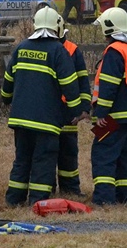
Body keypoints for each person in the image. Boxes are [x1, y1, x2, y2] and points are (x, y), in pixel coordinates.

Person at [1, 7, 86, 206]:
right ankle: (37, 201)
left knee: (22, 158)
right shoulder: (58, 51)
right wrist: (76, 111)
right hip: (46, 121)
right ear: (57, 27)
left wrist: (7, 100)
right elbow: (70, 85)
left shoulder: (21, 47)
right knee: (44, 159)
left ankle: (14, 199)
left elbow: (7, 84)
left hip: (20, 119)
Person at [90, 7, 127, 205]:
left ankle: (104, 199)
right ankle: (123, 196)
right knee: (123, 157)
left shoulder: (114, 51)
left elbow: (109, 85)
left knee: (102, 154)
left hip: (113, 116)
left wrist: (101, 113)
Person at [54, 28, 90, 196]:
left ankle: (70, 189)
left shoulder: (72, 49)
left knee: (68, 151)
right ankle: (48, 188)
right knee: (47, 152)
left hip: (67, 109)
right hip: (53, 108)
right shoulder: (49, 48)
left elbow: (82, 79)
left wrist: (83, 108)